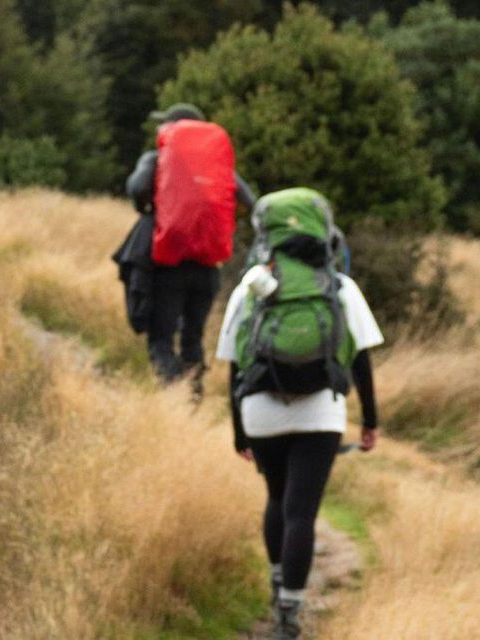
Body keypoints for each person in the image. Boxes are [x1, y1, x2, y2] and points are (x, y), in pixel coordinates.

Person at [215, 188, 381, 639]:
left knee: (276, 497)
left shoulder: (251, 286)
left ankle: (276, 583)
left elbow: (235, 367)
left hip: (259, 412)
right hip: (321, 414)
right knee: (301, 512)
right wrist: (369, 420)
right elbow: (361, 360)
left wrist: (239, 434)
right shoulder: (340, 288)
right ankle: (289, 614)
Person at [125, 103, 257, 386]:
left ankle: (173, 395)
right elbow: (251, 202)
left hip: (167, 263)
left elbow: (136, 187)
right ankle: (194, 396)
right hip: (208, 267)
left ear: (172, 128)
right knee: (192, 337)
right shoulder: (219, 167)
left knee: (161, 338)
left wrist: (147, 208)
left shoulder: (158, 158)